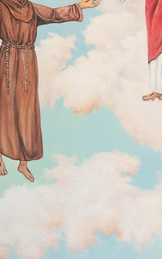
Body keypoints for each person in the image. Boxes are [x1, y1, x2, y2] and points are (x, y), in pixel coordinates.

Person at [0, 0, 102, 182]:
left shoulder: (31, 8)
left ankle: (23, 163)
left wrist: (79, 7)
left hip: (28, 61)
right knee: (5, 108)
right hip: (7, 61)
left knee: (26, 111)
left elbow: (54, 14)